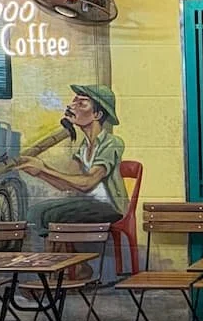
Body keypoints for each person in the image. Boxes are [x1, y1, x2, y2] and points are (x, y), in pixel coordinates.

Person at [11, 84, 130, 228]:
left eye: (81, 104)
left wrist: (44, 169)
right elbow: (67, 185)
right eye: (74, 101)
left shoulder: (111, 143)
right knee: (35, 212)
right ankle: (56, 250)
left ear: (97, 115)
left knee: (51, 216)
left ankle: (58, 250)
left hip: (109, 207)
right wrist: (39, 172)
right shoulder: (84, 146)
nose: (71, 106)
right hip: (87, 203)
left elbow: (87, 183)